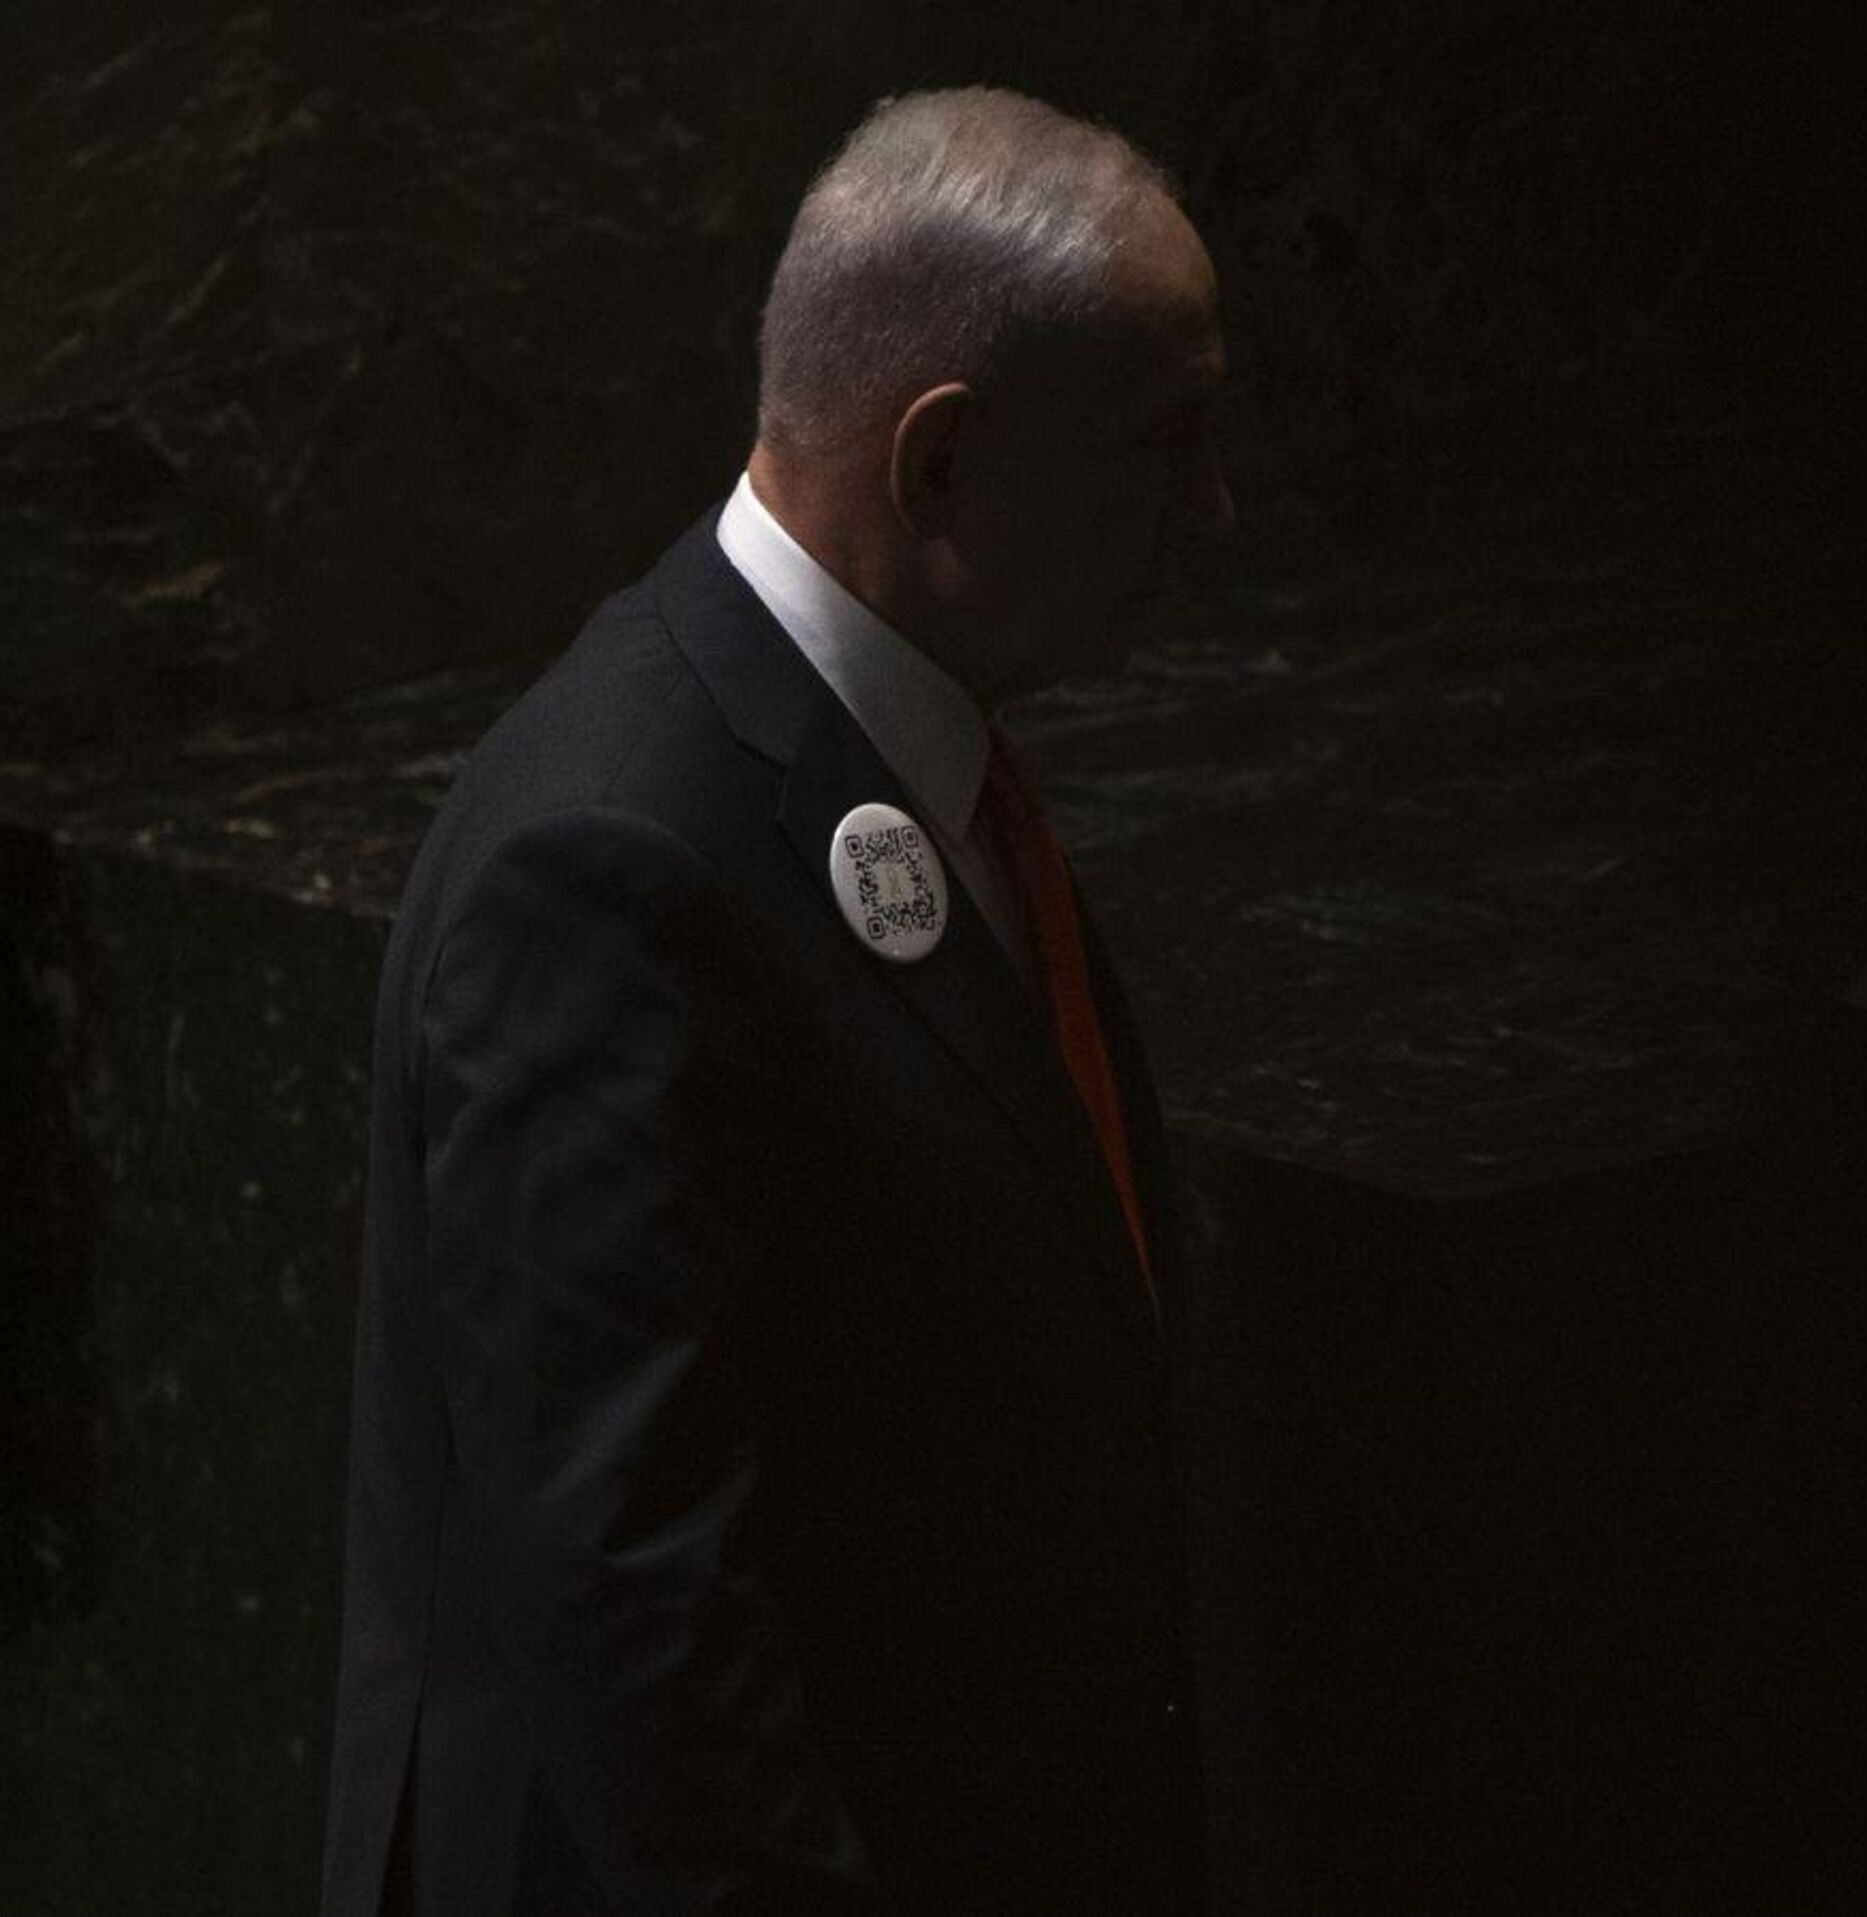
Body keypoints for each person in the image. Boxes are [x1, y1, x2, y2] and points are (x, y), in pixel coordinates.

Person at [320, 86, 1232, 1916]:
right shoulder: (604, 863)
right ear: (939, 463)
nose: (1211, 513)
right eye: (1159, 446)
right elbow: (631, 1598)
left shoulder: (901, 750)